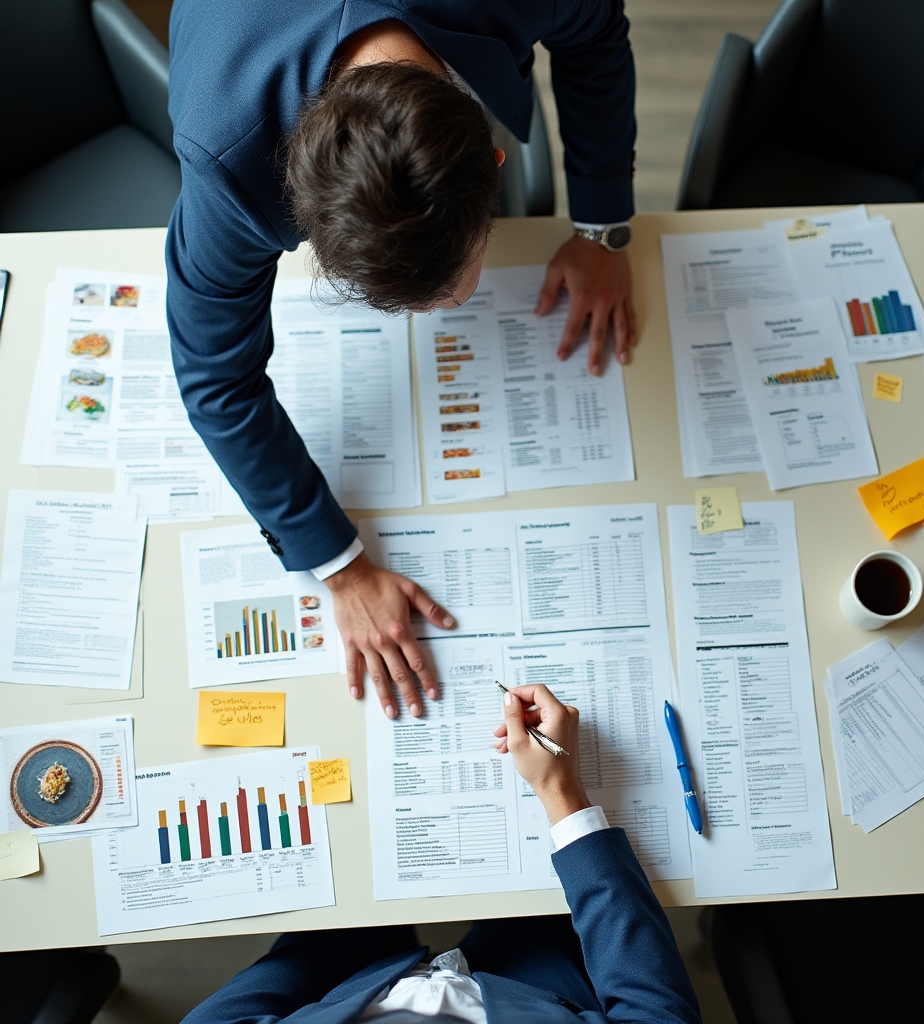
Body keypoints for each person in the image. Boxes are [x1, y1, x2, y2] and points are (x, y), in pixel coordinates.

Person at [167, 1, 639, 720]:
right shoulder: (226, 163)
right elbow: (214, 374)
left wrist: (601, 228)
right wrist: (341, 566)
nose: (449, 311)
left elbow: (597, 30)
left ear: (493, 159)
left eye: (452, 289)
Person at [182, 685, 703, 1023]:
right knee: (536, 915)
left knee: (347, 882)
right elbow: (657, 1014)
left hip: (349, 986)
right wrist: (561, 793)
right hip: (534, 991)